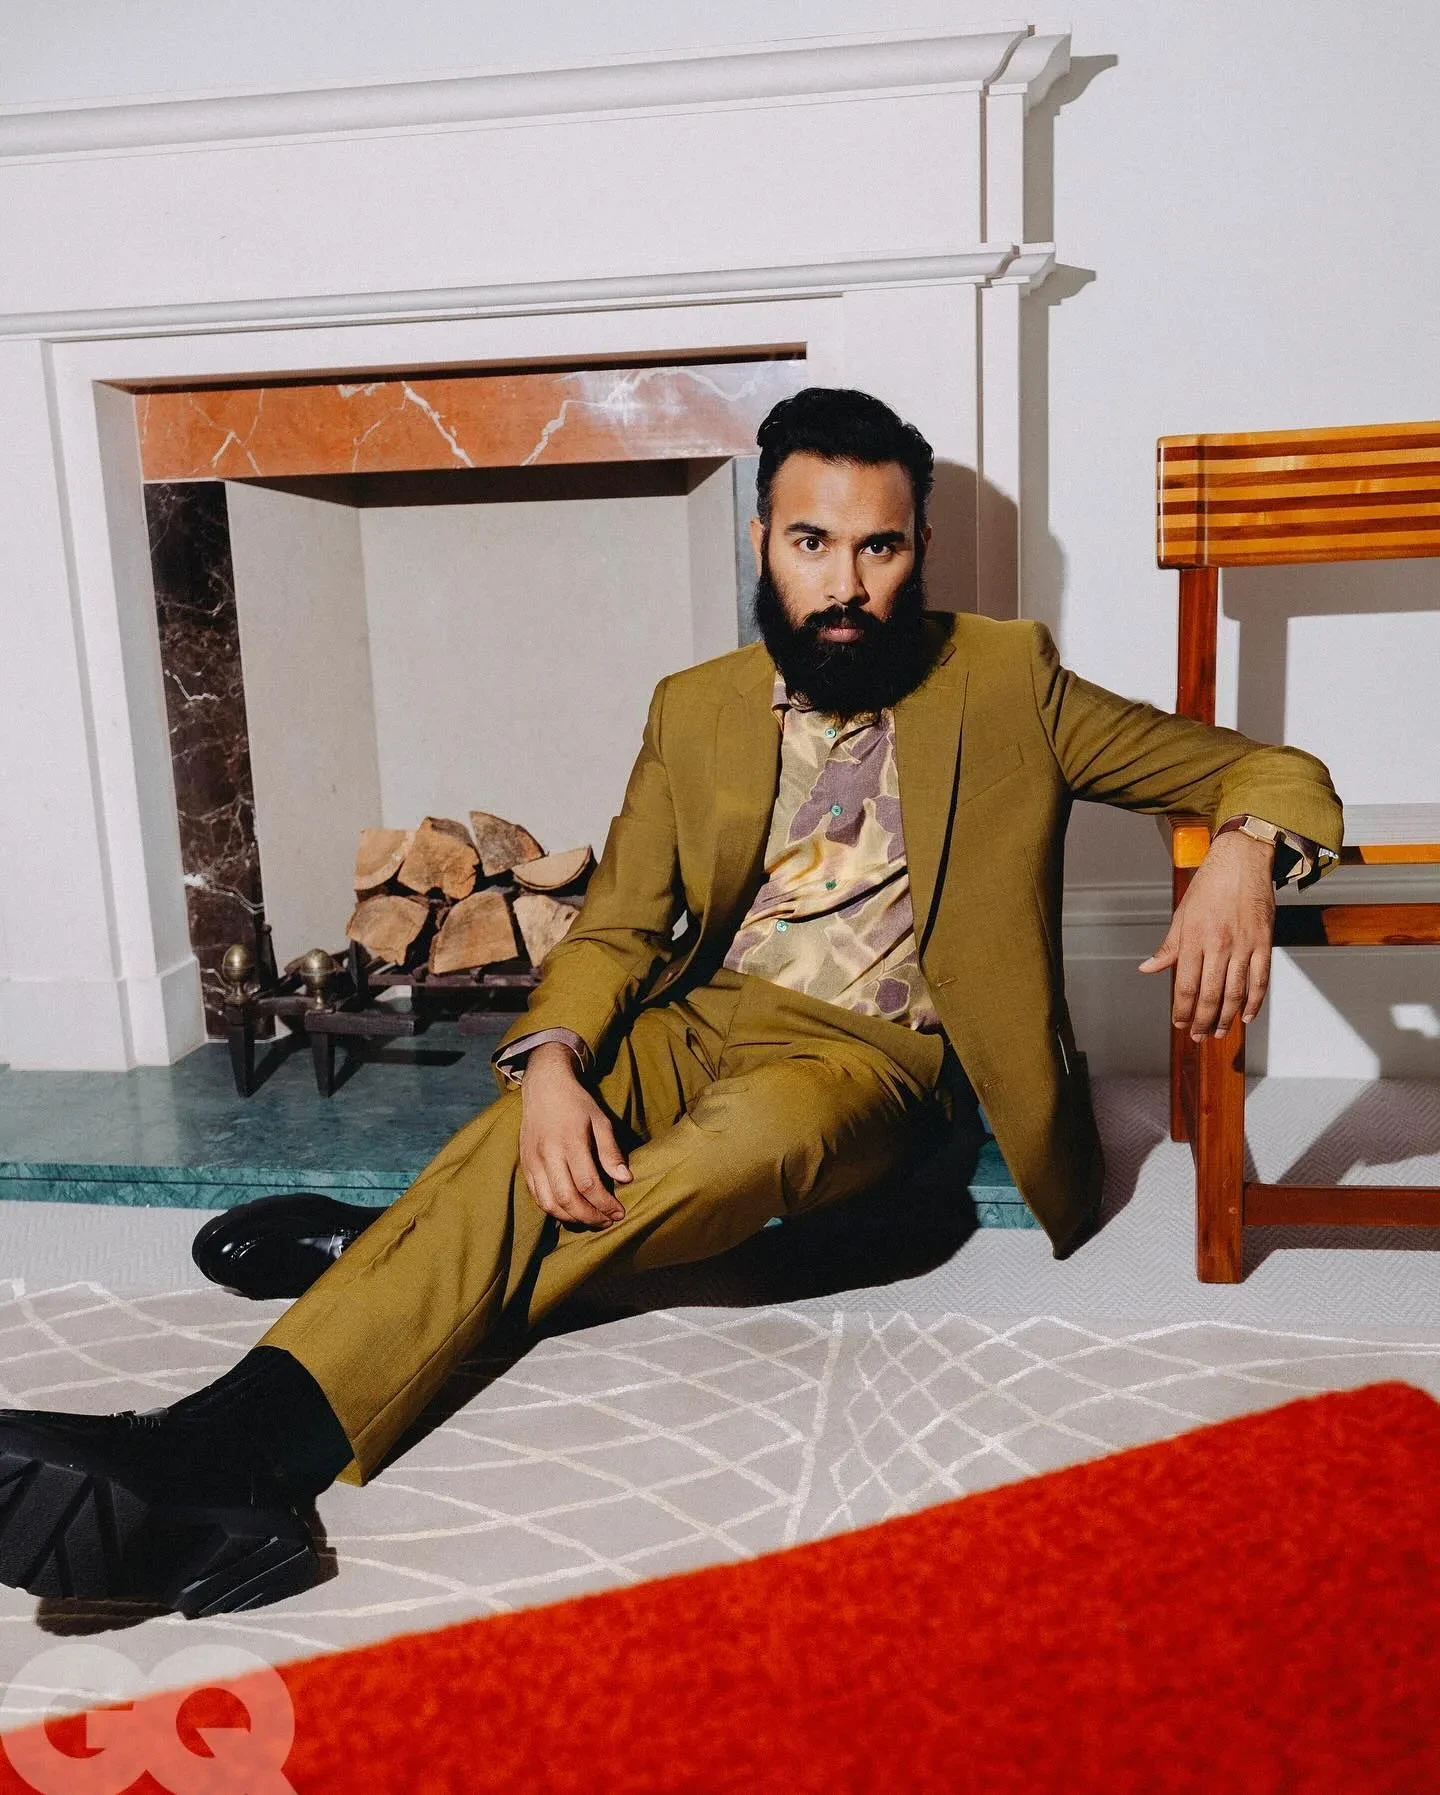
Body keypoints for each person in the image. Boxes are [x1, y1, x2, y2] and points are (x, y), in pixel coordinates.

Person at [0, 388, 1341, 1617]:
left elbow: (1269, 766)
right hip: (701, 1017)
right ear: (763, 540)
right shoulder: (695, 707)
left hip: (869, 1058)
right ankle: (227, 1459)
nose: (845, 584)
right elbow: (624, 924)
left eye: (878, 548)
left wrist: (1239, 854)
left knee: (717, 1159)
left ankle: (375, 1277)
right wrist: (550, 1064)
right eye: (812, 543)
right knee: (539, 1141)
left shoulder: (1007, 677)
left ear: (920, 547)